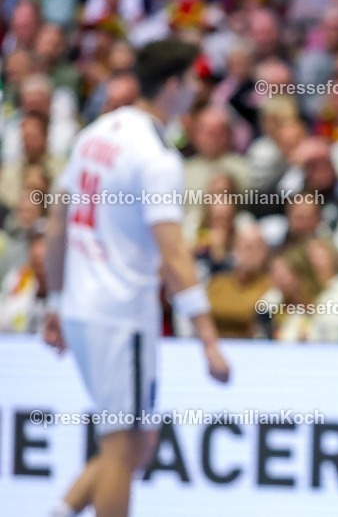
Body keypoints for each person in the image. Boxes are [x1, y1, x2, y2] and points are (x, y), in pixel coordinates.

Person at [41, 39, 231, 517]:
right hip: (120, 314)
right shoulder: (157, 156)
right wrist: (208, 338)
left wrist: (54, 303)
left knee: (138, 441)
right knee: (123, 448)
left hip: (85, 308)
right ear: (172, 86)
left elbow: (57, 227)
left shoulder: (96, 132)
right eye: (193, 81)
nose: (196, 90)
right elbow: (174, 254)